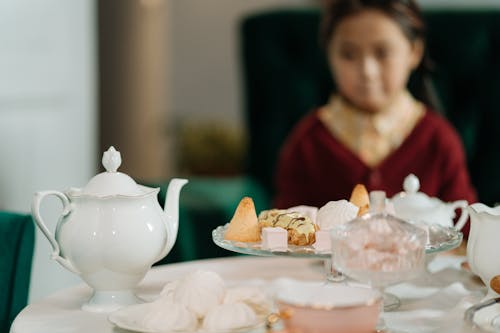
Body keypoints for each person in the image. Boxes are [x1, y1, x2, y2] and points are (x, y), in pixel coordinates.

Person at [273, 0, 477, 231]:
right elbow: (284, 233)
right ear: (329, 55)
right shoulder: (307, 142)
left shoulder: (438, 139)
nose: (367, 71)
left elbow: (468, 229)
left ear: (414, 52)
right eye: (349, 54)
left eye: (382, 53)